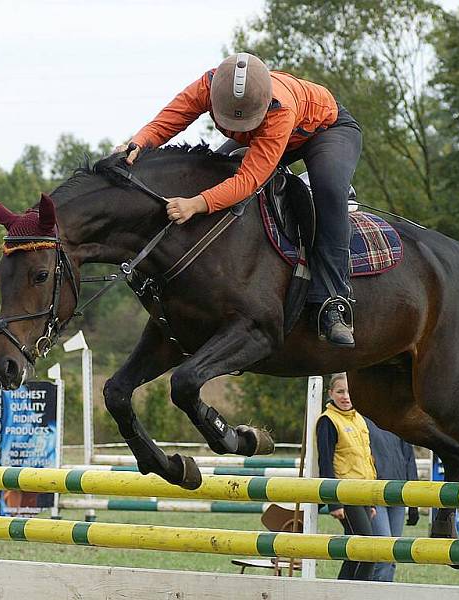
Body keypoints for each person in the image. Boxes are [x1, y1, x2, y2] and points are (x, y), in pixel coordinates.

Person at [115, 52, 363, 348]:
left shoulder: (279, 109)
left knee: (328, 193)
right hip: (263, 136)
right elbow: (170, 120)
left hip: (325, 133)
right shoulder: (208, 85)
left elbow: (247, 181)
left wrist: (195, 203)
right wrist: (138, 143)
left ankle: (333, 303)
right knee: (212, 170)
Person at [316, 372, 376, 580]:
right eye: (340, 391)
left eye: (349, 391)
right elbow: (325, 462)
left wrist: (373, 501)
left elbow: (366, 459)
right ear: (330, 393)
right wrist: (334, 502)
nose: (345, 396)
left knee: (354, 552)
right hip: (346, 494)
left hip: (365, 494)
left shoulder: (359, 418)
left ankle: (338, 592)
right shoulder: (327, 421)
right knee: (369, 551)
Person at [364, 417, 419, 582]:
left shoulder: (398, 421)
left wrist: (414, 501)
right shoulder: (362, 420)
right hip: (374, 493)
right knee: (384, 553)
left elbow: (409, 459)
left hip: (398, 494)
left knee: (392, 555)